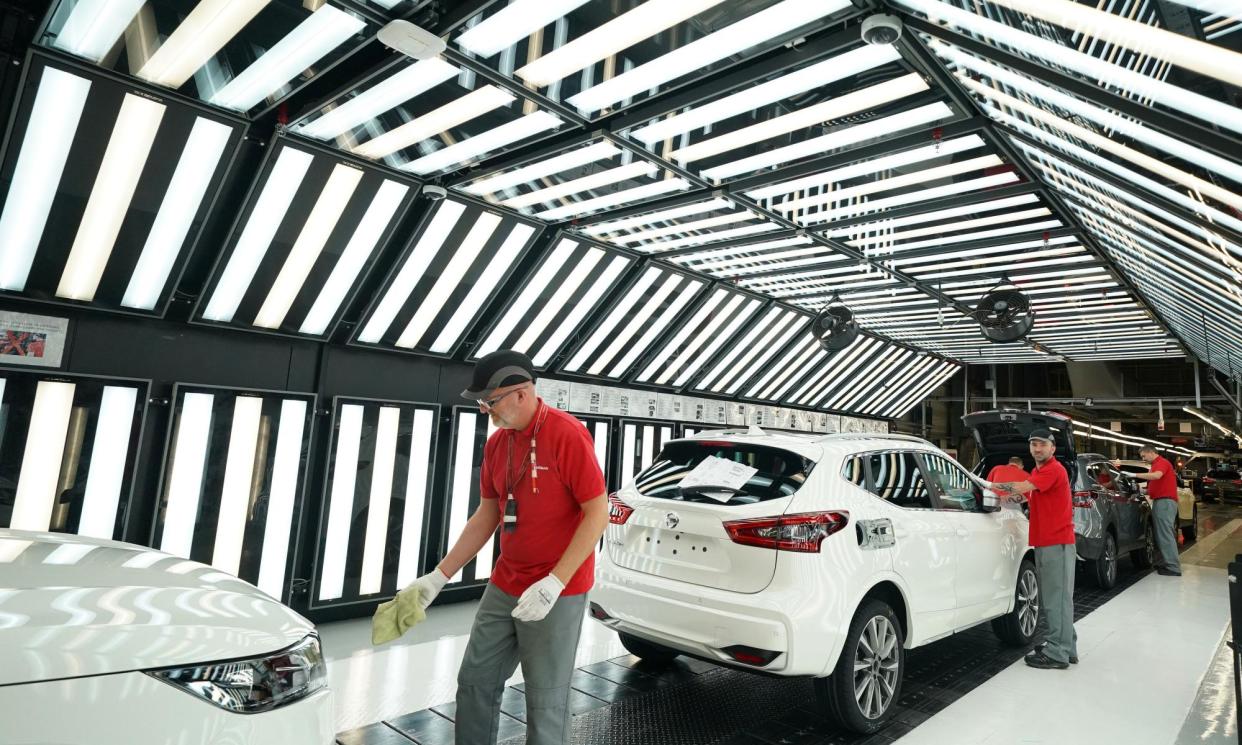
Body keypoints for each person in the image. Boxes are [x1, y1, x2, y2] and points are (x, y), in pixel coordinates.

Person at [401, 350, 609, 745]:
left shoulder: (567, 434)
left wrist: (554, 582)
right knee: (475, 681)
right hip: (505, 583)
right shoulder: (498, 445)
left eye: (490, 401)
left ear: (521, 393)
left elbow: (597, 513)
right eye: (482, 403)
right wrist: (438, 577)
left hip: (557, 589)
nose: (486, 411)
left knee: (546, 699)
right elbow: (487, 514)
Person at [990, 428, 1077, 670]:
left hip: (1055, 543)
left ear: (1052, 448)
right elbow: (1028, 496)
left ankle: (1057, 653)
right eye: (1033, 445)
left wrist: (987, 485)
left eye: (1042, 445)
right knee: (1059, 598)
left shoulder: (1052, 469)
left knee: (1055, 599)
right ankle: (1067, 646)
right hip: (1049, 541)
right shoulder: (1041, 472)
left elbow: (1018, 488)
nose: (1037, 449)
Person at [1117, 446, 1181, 577]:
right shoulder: (1155, 466)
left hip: (1165, 502)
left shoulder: (1162, 463)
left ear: (1151, 452)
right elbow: (1152, 488)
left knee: (1165, 534)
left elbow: (1157, 476)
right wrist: (1140, 490)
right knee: (1162, 535)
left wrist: (1134, 474)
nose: (1143, 459)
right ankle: (1168, 563)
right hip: (1160, 501)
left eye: (1144, 456)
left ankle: (1173, 567)